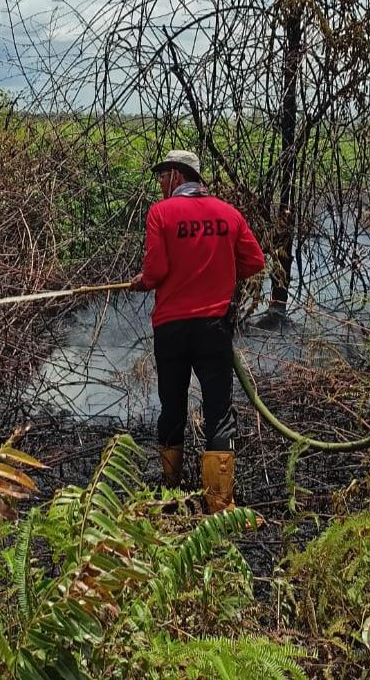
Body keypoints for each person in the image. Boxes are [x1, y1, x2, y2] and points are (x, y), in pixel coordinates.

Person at [130, 149, 265, 512]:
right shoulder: (229, 214)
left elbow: (156, 271)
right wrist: (219, 276)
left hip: (171, 329)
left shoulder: (161, 213)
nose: (160, 183)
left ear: (177, 175)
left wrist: (142, 283)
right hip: (212, 329)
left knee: (172, 406)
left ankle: (172, 491)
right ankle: (219, 504)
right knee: (218, 411)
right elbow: (255, 261)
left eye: (163, 175)